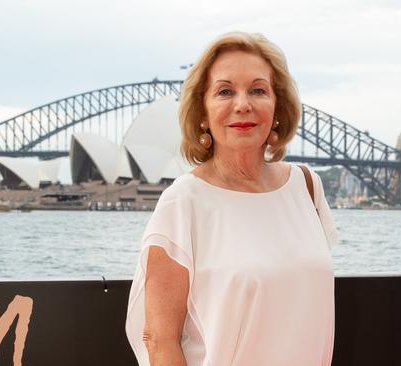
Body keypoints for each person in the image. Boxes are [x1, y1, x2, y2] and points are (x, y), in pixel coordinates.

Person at [125, 31, 338, 366]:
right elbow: (158, 340)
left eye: (258, 90)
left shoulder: (307, 186)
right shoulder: (183, 202)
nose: (243, 104)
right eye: (225, 91)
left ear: (277, 107)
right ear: (203, 113)